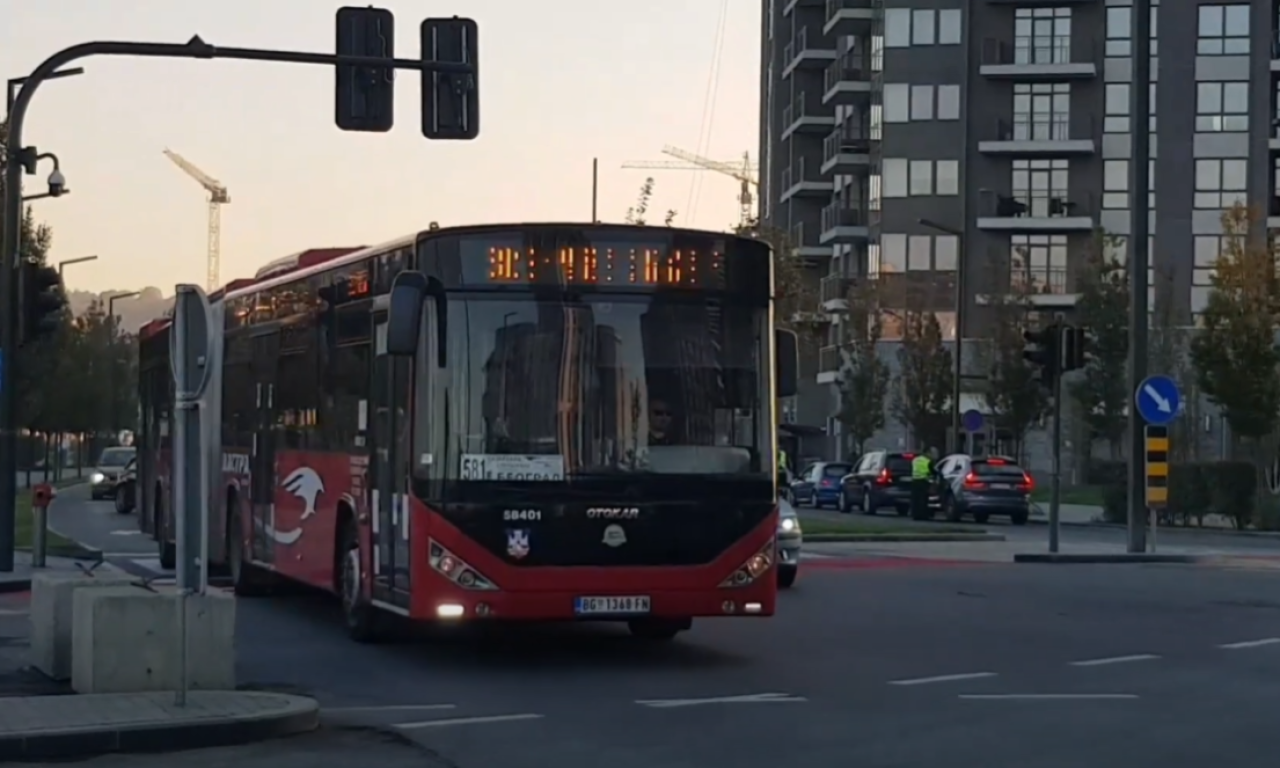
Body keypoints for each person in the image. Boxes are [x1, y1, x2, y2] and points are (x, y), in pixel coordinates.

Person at [910, 447, 935, 521]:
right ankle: (923, 515)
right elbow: (932, 471)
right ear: (927, 453)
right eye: (930, 453)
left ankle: (915, 515)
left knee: (915, 499)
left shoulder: (915, 460)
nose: (931, 455)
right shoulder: (928, 461)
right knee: (923, 499)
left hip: (915, 481)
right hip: (923, 481)